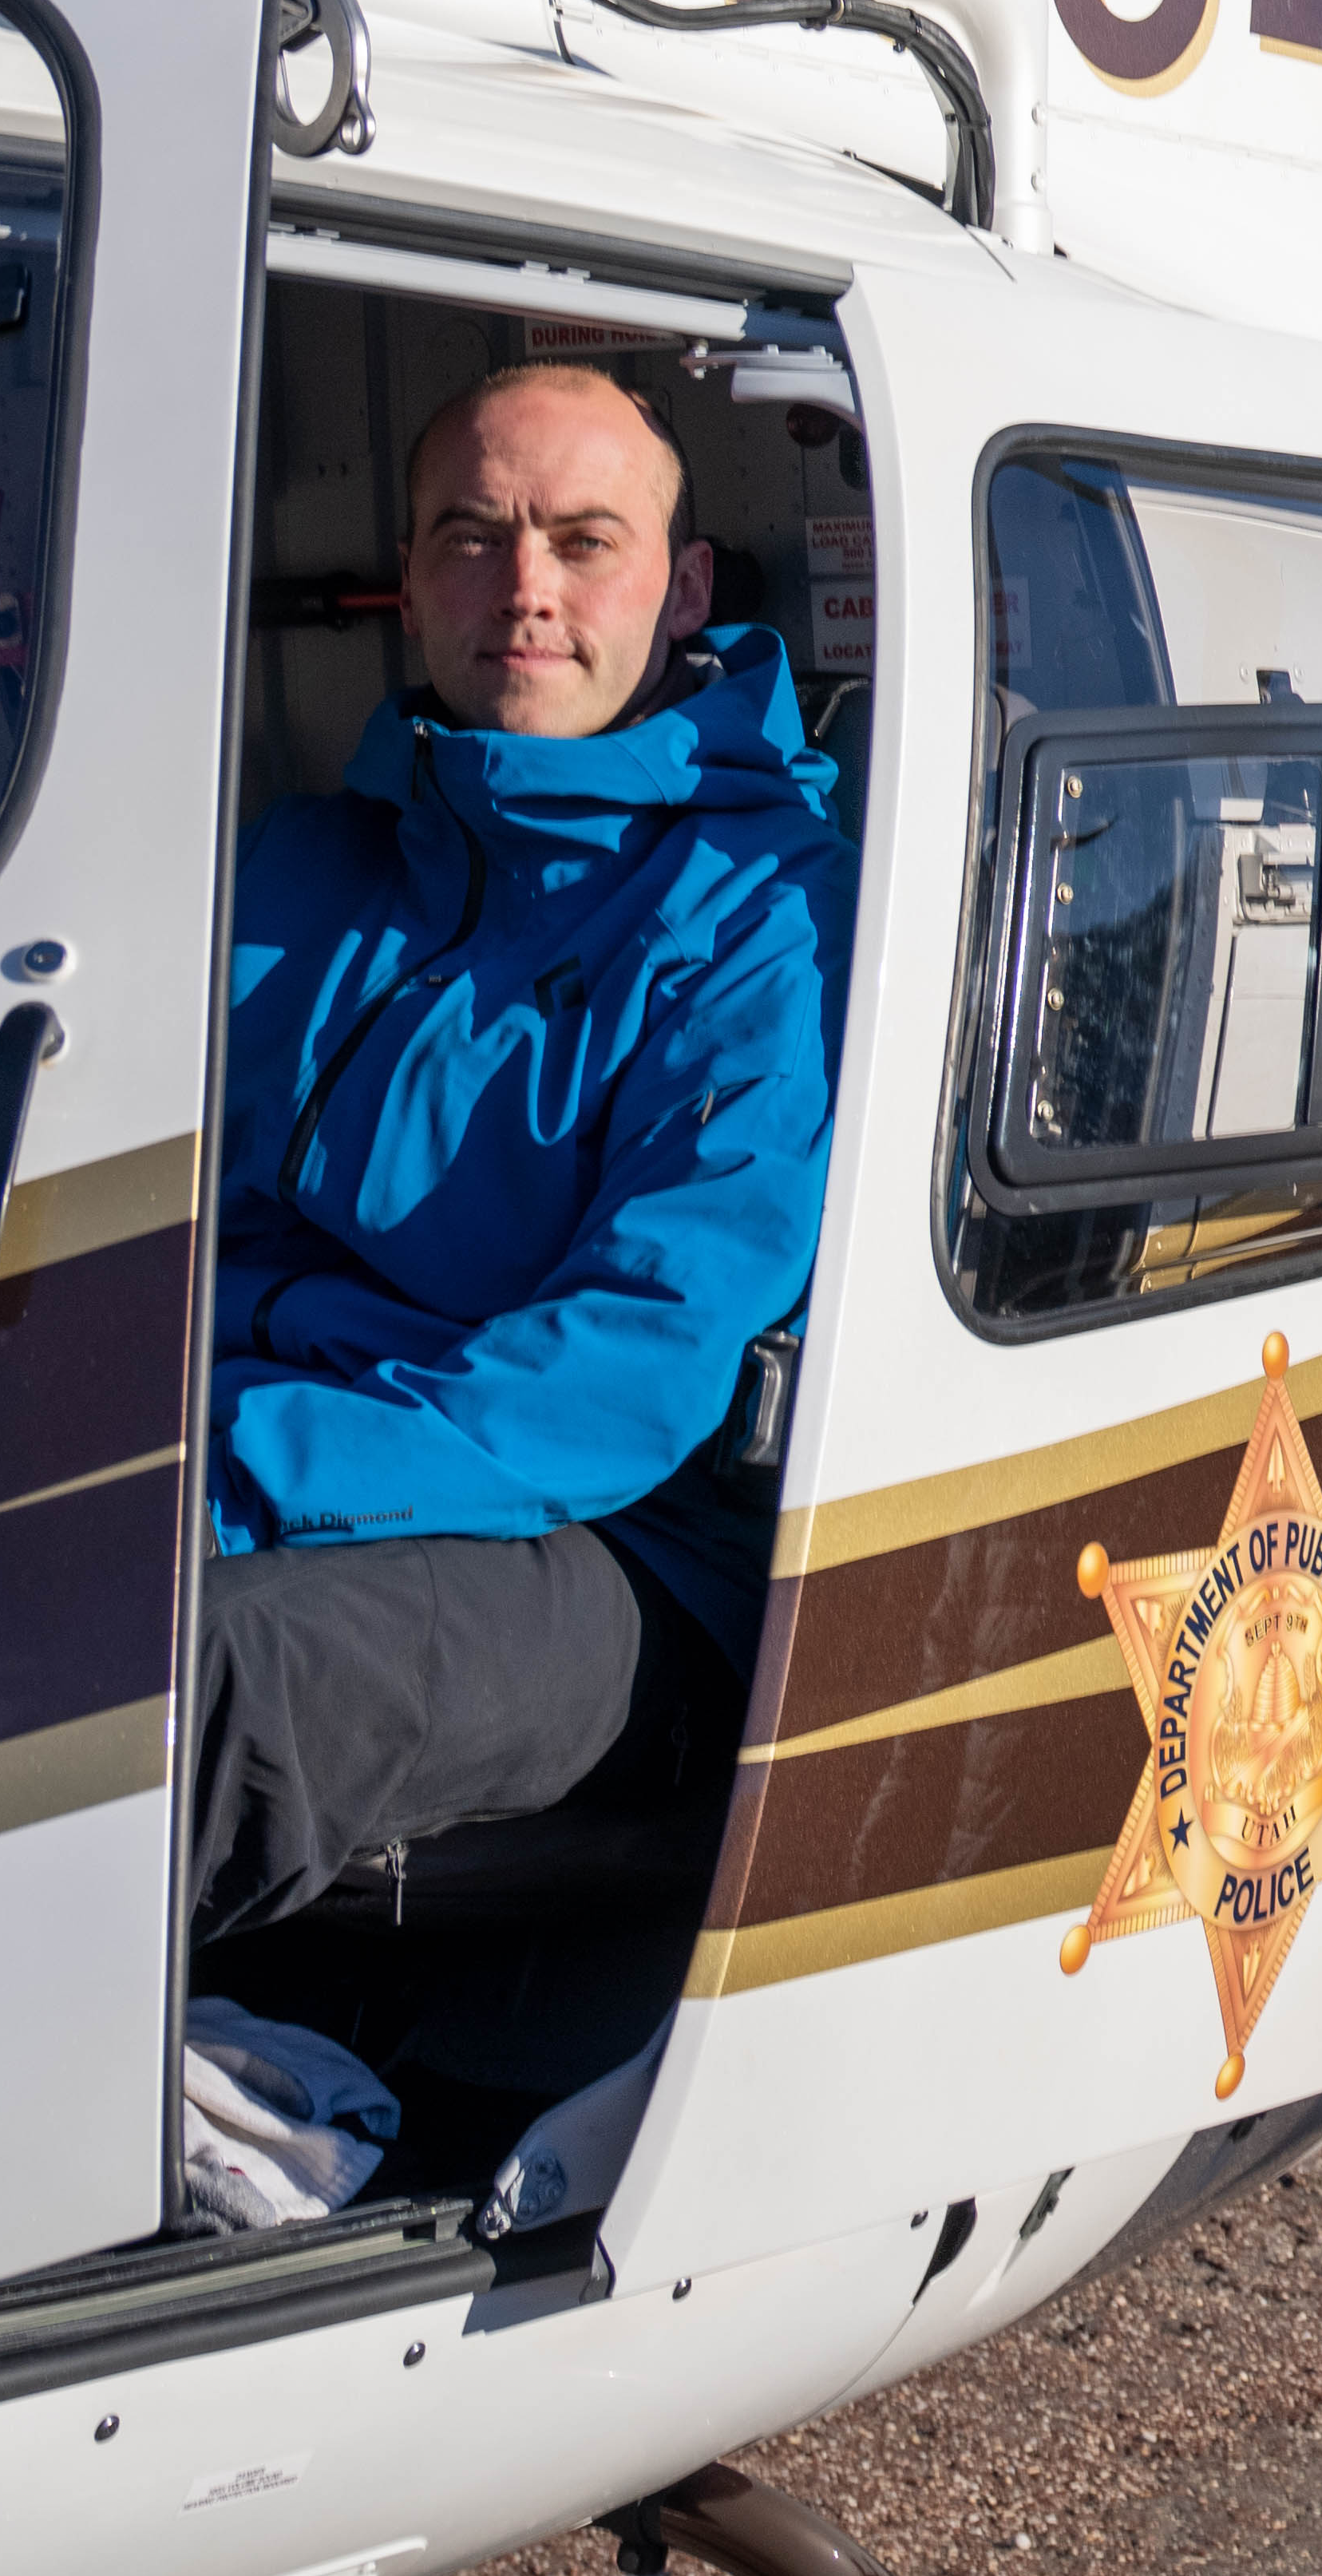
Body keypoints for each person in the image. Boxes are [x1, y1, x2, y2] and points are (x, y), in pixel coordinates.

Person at [188, 360, 849, 1938]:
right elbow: (160, 1219)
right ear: (408, 582)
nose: (524, 589)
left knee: (167, 1686)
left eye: (582, 539)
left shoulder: (770, 922)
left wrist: (217, 1480)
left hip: (622, 1542)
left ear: (685, 587)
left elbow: (624, 1371)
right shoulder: (304, 866)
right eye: (473, 536)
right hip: (260, 1439)